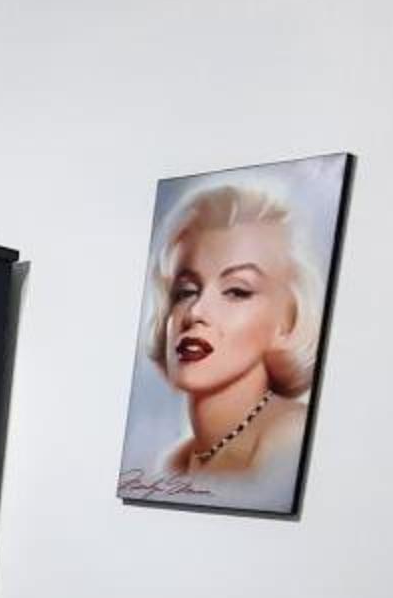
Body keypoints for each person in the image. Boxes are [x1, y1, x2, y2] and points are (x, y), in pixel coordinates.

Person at [124, 181, 323, 507]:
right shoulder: (174, 462)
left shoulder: (290, 440)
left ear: (286, 323)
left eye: (236, 291)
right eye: (186, 291)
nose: (196, 313)